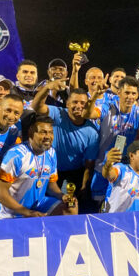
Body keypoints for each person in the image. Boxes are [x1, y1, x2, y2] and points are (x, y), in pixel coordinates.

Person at [84, 76, 139, 202]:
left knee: (119, 205)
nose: (130, 97)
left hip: (125, 171)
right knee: (98, 205)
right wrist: (94, 97)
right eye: (127, 92)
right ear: (119, 92)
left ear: (137, 94)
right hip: (102, 166)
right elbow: (87, 114)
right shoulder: (108, 107)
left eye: (133, 93)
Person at [0, 115, 77, 218]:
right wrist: (27, 212)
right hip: (11, 213)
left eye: (50, 132)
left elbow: (51, 185)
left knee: (70, 207)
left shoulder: (51, 153)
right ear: (31, 133)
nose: (48, 136)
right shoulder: (16, 155)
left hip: (37, 206)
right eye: (43, 132)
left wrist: (62, 196)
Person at [32, 81, 99, 209]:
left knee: (73, 205)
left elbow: (89, 165)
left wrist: (84, 186)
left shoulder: (92, 132)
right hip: (49, 169)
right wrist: (47, 88)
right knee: (47, 204)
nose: (78, 106)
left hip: (75, 172)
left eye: (82, 103)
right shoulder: (58, 113)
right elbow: (36, 106)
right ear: (67, 103)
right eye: (75, 102)